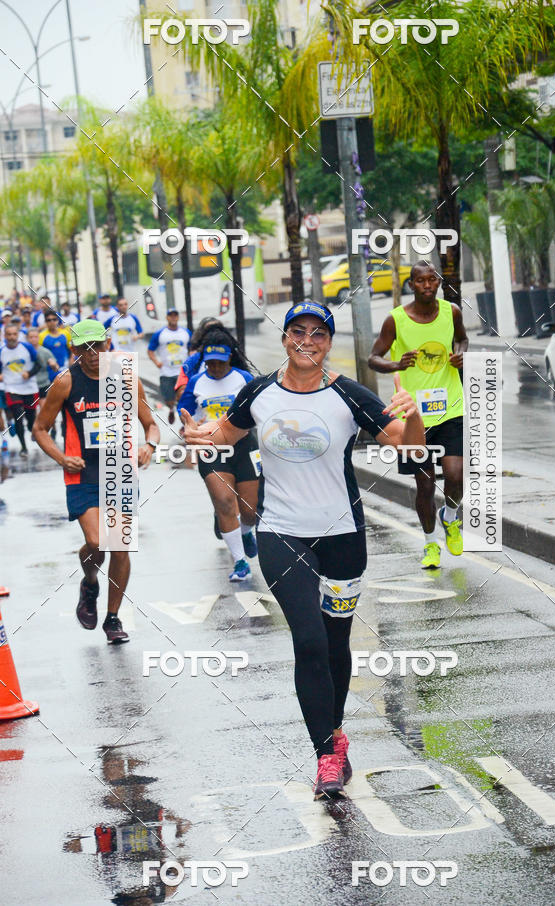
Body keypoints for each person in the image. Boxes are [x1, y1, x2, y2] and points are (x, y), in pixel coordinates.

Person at [182, 300, 425, 800]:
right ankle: (325, 756)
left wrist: (416, 414)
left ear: (328, 342)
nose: (307, 340)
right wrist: (198, 437)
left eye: (318, 333)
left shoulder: (348, 396)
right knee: (310, 640)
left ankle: (334, 733)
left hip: (342, 538)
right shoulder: (260, 391)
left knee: (337, 642)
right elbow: (225, 432)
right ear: (285, 337)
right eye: (298, 331)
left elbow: (410, 449)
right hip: (281, 533)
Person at [32, 319, 160, 643]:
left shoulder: (126, 377)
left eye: (98, 347)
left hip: (120, 469)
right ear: (74, 350)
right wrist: (61, 458)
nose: (92, 354)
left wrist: (150, 446)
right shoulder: (65, 382)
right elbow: (39, 429)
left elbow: (151, 424)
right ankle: (90, 581)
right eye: (84, 349)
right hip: (82, 472)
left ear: (108, 345)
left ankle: (112, 618)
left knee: (119, 545)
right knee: (97, 541)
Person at [368, 260, 468, 569]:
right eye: (420, 281)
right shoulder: (396, 320)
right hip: (414, 417)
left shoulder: (452, 312)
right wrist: (396, 365)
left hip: (451, 407)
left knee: (455, 475)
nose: (427, 285)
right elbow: (373, 358)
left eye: (432, 280)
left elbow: (462, 338)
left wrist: (461, 353)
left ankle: (450, 516)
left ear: (438, 283)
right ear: (411, 285)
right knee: (424, 486)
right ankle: (430, 545)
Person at [178, 333, 259, 580]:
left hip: (244, 445)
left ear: (229, 359)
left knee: (250, 511)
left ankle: (245, 531)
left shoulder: (243, 379)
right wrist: (189, 427)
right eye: (210, 362)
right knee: (224, 501)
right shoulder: (196, 382)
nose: (215, 367)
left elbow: (260, 409)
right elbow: (185, 415)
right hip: (210, 449)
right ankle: (240, 562)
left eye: (220, 362)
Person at [0, 324, 41, 457]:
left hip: (29, 388)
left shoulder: (27, 347)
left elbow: (39, 364)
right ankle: (23, 447)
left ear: (18, 335)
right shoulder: (2, 351)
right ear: (5, 336)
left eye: (14, 334)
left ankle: (31, 429)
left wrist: (29, 374)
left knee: (30, 419)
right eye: (9, 334)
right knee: (18, 416)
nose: (12, 337)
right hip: (12, 388)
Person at [147, 309, 191, 425]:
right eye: (170, 315)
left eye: (175, 315)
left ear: (178, 317)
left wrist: (191, 362)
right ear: (167, 317)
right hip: (166, 372)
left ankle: (185, 424)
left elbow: (192, 349)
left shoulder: (186, 333)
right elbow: (150, 350)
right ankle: (171, 408)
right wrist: (157, 362)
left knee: (182, 397)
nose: (173, 317)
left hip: (182, 372)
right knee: (169, 400)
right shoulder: (160, 334)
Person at [27, 326, 58, 401]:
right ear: (27, 338)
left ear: (39, 337)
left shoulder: (45, 351)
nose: (33, 339)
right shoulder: (24, 351)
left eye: (35, 337)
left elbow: (56, 368)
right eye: (31, 337)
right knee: (31, 412)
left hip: (43, 385)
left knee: (44, 410)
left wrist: (53, 365)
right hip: (28, 386)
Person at [40, 309, 72, 381]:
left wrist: (71, 363)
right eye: (49, 320)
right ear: (45, 322)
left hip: (65, 370)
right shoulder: (41, 336)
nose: (52, 322)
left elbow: (72, 350)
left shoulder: (65, 333)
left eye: (54, 319)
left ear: (57, 320)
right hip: (49, 373)